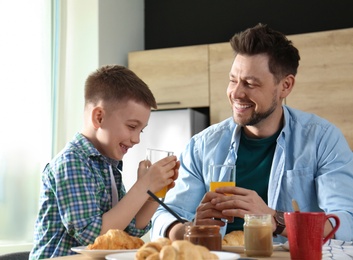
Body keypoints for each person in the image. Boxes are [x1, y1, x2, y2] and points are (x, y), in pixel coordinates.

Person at [151, 23, 353, 243]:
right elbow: (164, 214)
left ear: (285, 86)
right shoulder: (203, 145)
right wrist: (192, 229)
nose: (236, 93)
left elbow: (346, 222)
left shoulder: (322, 139)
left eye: (250, 83)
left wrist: (275, 220)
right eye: (233, 80)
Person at [30, 65, 179, 259]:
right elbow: (92, 237)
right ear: (99, 117)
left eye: (140, 130)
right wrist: (143, 186)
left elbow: (130, 230)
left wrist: (152, 195)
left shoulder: (108, 166)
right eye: (132, 126)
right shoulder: (72, 163)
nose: (136, 139)